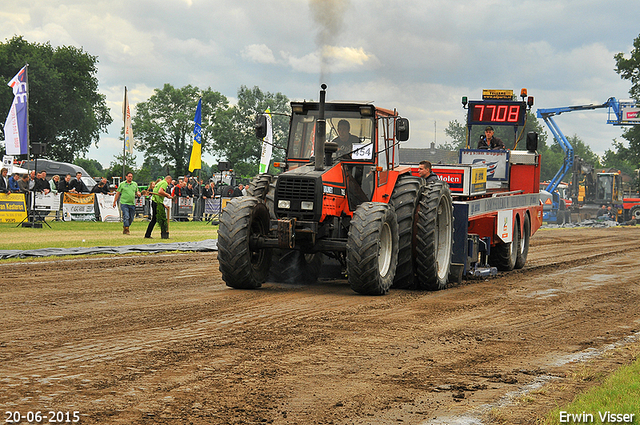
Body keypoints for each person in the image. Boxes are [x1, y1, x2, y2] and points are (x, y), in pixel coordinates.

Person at [145, 175, 174, 239]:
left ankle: (147, 235)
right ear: (169, 180)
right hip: (157, 203)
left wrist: (164, 204)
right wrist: (167, 195)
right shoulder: (164, 183)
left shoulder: (159, 183)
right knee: (162, 218)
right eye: (170, 182)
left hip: (155, 201)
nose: (170, 183)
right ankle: (164, 234)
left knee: (154, 219)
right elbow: (160, 191)